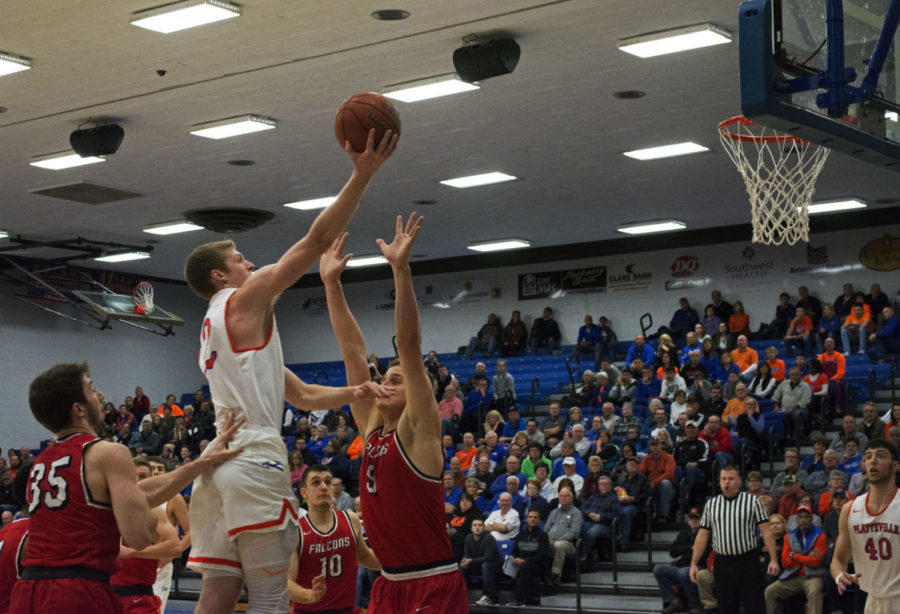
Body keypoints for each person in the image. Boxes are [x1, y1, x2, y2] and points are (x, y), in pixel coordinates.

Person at [182, 130, 395, 612]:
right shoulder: (242, 299)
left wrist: (354, 389)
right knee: (272, 597)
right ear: (220, 276)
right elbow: (316, 240)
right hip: (255, 456)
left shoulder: (217, 330)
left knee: (218, 592)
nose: (250, 263)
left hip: (217, 463)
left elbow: (299, 395)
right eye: (239, 260)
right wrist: (361, 176)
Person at [320, 215, 467, 612]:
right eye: (385, 376)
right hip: (389, 582)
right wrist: (331, 285)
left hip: (432, 581)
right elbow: (353, 351)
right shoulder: (371, 427)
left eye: (397, 380)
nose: (386, 381)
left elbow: (410, 346)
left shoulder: (418, 428)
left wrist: (400, 270)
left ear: (421, 394)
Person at [11, 362, 242, 614]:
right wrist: (152, 519)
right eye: (92, 389)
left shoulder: (42, 459)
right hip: (77, 591)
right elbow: (139, 537)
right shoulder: (110, 452)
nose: (99, 395)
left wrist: (203, 462)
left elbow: (138, 492)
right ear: (78, 409)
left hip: (28, 590)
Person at [689, 465, 780, 614]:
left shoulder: (752, 501)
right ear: (719, 482)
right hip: (723, 562)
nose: (727, 482)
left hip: (747, 560)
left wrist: (773, 559)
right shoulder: (712, 504)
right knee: (727, 607)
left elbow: (766, 531)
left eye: (731, 479)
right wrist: (693, 563)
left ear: (738, 481)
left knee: (754, 606)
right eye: (724, 479)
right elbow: (702, 535)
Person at [288, 465, 379, 613]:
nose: (324, 487)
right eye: (316, 482)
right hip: (310, 610)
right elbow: (287, 583)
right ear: (304, 492)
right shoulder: (296, 531)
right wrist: (310, 595)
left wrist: (397, 563)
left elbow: (364, 556)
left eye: (328, 482)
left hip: (346, 609)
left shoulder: (351, 519)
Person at [831, 439, 900, 613]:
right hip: (872, 599)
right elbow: (838, 560)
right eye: (868, 457)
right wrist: (840, 575)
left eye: (881, 455)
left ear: (895, 466)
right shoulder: (850, 509)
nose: (873, 461)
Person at [111, 458, 182, 614]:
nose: (137, 481)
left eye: (143, 477)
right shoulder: (106, 506)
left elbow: (175, 547)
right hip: (105, 594)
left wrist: (134, 553)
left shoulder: (154, 510)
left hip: (139, 596)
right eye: (133, 476)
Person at [146, 456, 192, 612]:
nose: (156, 473)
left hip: (159, 562)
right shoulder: (130, 496)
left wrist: (172, 553)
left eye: (160, 469)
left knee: (154, 609)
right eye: (152, 469)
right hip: (132, 561)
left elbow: (190, 532)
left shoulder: (173, 498)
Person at [653, 507, 710, 614]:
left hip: (699, 568)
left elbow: (703, 554)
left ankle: (695, 605)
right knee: (658, 569)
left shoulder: (706, 533)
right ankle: (673, 601)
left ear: (702, 520)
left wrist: (683, 555)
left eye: (696, 519)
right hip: (681, 568)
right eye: (691, 518)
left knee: (684, 572)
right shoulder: (684, 533)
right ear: (688, 520)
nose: (693, 521)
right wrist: (690, 549)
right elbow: (672, 551)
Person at [506, 509, 550, 608]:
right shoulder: (521, 535)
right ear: (526, 519)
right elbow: (514, 552)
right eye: (530, 517)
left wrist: (525, 560)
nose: (532, 519)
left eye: (535, 517)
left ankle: (519, 599)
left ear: (539, 520)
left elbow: (542, 555)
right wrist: (515, 559)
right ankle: (492, 597)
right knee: (501, 563)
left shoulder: (543, 536)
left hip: (537, 566)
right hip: (521, 564)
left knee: (526, 566)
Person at [543, 486, 582, 585]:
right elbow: (546, 529)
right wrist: (547, 539)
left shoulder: (576, 513)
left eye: (566, 496)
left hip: (569, 544)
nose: (563, 498)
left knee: (559, 545)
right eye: (561, 496)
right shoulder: (553, 512)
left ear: (572, 498)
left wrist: (557, 540)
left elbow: (574, 533)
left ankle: (555, 574)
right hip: (550, 541)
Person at [460, 518, 500, 607]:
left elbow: (489, 557)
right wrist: (465, 560)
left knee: (485, 565)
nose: (477, 527)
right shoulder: (468, 537)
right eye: (475, 525)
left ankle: (487, 595)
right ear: (471, 528)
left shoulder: (489, 538)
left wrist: (470, 560)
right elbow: (466, 554)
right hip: (477, 565)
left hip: (492, 566)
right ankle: (462, 593)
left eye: (480, 525)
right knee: (462, 567)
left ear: (484, 528)